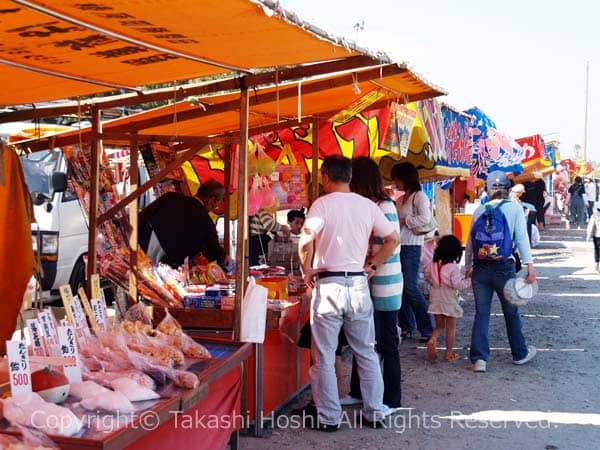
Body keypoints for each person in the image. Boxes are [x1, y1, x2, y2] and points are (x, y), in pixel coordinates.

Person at [298, 155, 400, 430]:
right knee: (365, 352)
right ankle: (374, 413)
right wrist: (373, 265)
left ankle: (329, 418)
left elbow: (306, 239)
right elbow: (393, 239)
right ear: (350, 176)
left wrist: (305, 268)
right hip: (357, 284)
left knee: (324, 357)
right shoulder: (367, 205)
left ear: (325, 177)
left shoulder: (322, 204)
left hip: (328, 285)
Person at [344, 156, 403, 409]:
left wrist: (371, 266)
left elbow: (392, 242)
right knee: (362, 339)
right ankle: (358, 391)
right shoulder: (367, 205)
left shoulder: (384, 205)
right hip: (368, 283)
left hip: (385, 284)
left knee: (387, 343)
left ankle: (392, 398)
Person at [465, 170, 537, 373]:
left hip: (480, 268)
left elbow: (470, 241)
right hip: (503, 268)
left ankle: (479, 359)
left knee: (482, 313)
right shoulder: (514, 208)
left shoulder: (480, 210)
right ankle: (519, 353)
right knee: (511, 311)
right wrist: (530, 266)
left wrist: (467, 266)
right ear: (507, 189)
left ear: (488, 189)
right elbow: (522, 239)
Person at [391, 162, 435, 343]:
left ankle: (428, 327)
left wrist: (404, 221)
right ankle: (407, 326)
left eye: (397, 179)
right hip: (400, 246)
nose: (395, 183)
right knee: (401, 288)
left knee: (410, 287)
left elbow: (426, 218)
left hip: (412, 246)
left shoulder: (419, 196)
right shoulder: (402, 198)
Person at [138, 180, 227, 268]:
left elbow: (142, 217)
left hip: (137, 255)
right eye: (217, 204)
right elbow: (214, 253)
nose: (215, 207)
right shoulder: (207, 224)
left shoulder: (170, 197)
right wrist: (227, 260)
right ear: (212, 200)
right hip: (163, 271)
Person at [425, 235, 471, 362]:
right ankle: (448, 353)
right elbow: (458, 285)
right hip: (449, 298)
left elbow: (427, 274)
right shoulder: (453, 267)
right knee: (451, 328)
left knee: (439, 326)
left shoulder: (433, 264)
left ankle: (432, 339)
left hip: (435, 295)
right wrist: (468, 280)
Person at [586, 203, 600, 273]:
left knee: (597, 250)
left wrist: (588, 236)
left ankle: (597, 263)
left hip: (597, 236)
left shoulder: (594, 216)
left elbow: (590, 226)